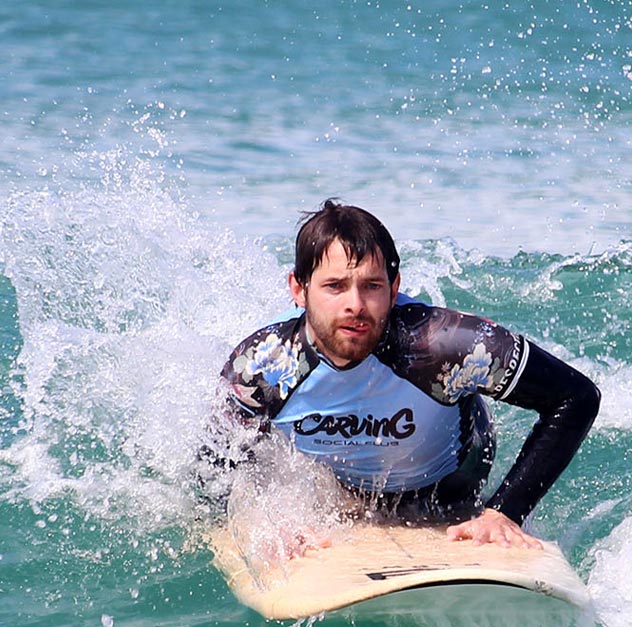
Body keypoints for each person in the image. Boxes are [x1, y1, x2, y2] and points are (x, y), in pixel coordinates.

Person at [214, 200, 600, 550]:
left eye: (372, 286)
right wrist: (257, 521)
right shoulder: (263, 369)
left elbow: (576, 397)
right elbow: (214, 464)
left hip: (449, 488)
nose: (355, 305)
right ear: (299, 289)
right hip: (337, 488)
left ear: (395, 288)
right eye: (334, 286)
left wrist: (504, 513)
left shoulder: (444, 348)